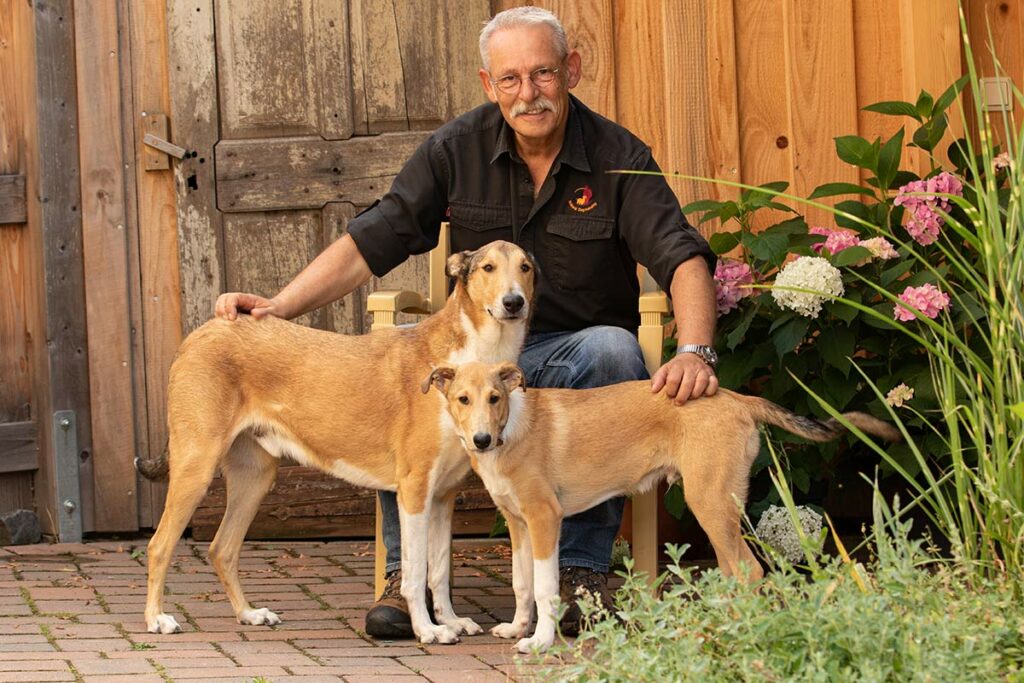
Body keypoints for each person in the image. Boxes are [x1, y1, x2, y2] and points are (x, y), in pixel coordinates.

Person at [215, 6, 718, 638]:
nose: (528, 93)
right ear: (489, 84)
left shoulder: (618, 155)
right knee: (406, 372)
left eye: (542, 73)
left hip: (567, 357)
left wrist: (697, 348)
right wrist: (279, 306)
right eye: (510, 79)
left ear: (572, 71)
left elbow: (682, 255)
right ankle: (409, 579)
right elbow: (376, 238)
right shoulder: (456, 148)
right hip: (471, 356)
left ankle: (581, 570)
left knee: (615, 351)